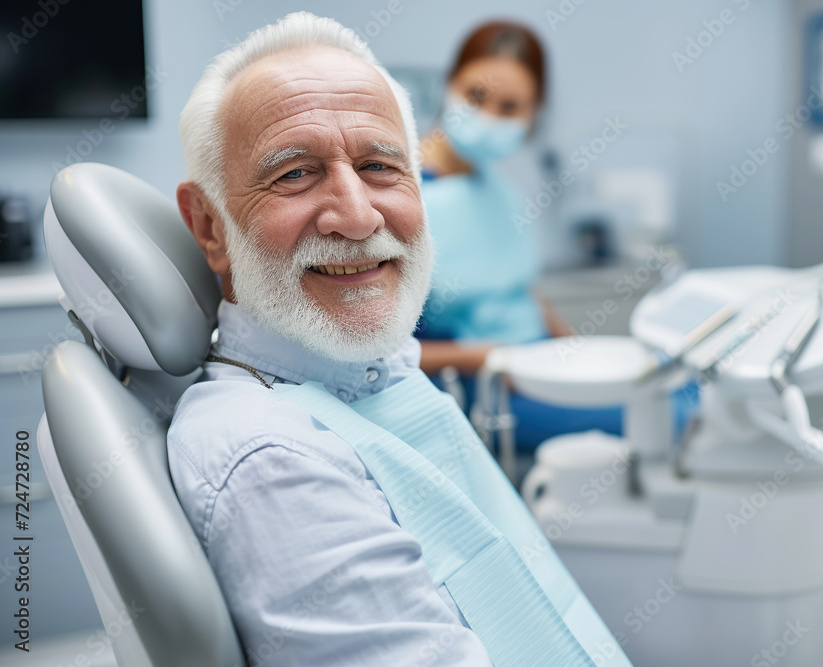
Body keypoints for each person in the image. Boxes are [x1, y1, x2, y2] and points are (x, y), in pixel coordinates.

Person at [167, 12, 630, 667]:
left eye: (381, 166)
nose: (357, 216)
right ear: (210, 226)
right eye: (295, 173)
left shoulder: (368, 373)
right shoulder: (275, 461)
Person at [418, 22, 621, 449]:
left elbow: (525, 294)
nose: (489, 116)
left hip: (540, 363)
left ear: (532, 119)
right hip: (490, 388)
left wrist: (584, 355)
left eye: (509, 107)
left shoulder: (501, 191)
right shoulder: (402, 196)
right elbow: (381, 353)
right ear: (449, 85)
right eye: (476, 96)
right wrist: (486, 358)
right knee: (669, 414)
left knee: (668, 383)